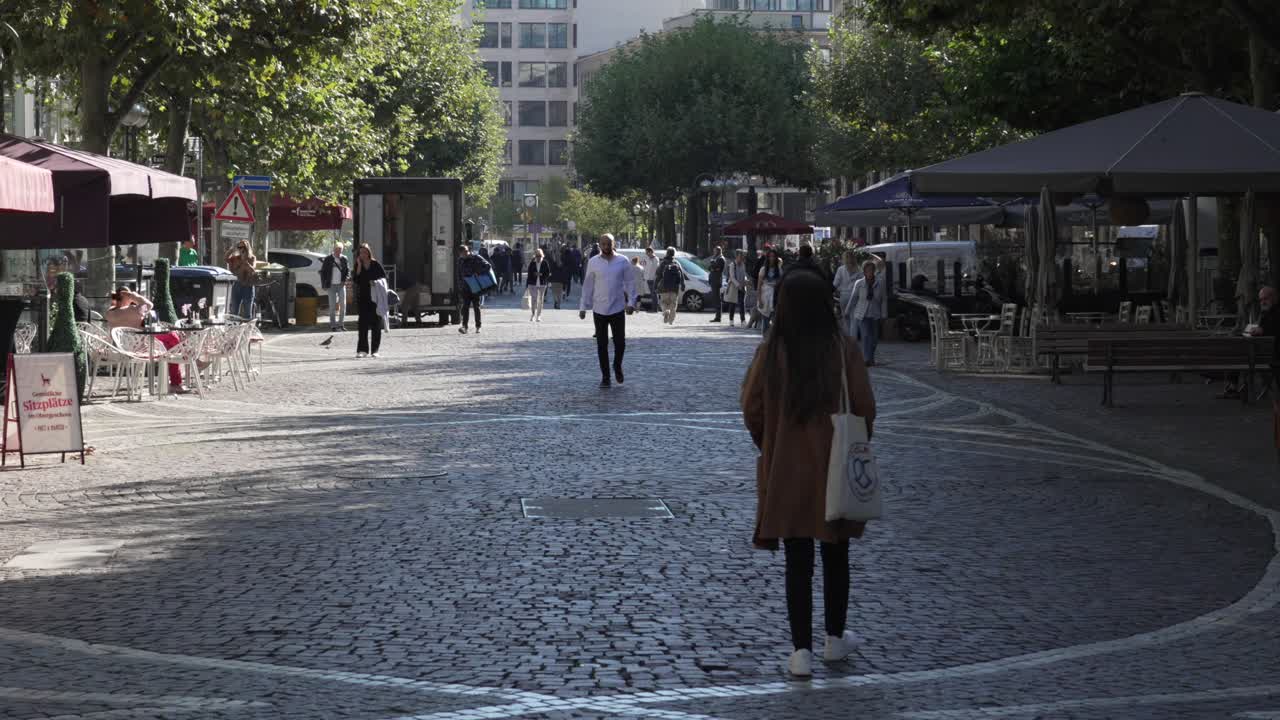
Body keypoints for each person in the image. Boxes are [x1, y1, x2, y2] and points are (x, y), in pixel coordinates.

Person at [741, 269, 876, 678]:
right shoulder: (844, 349)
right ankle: (834, 638)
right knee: (836, 553)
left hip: (787, 466)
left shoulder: (772, 351)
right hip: (833, 462)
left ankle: (800, 651)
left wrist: (772, 442)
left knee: (797, 559)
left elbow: (752, 407)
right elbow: (865, 407)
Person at [579, 233, 636, 387]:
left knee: (620, 343)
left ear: (613, 244)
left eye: (608, 244)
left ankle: (617, 365)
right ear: (599, 245)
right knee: (601, 345)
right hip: (599, 309)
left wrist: (631, 302)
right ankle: (605, 377)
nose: (605, 247)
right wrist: (583, 306)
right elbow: (588, 285)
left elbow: (630, 283)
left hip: (617, 307)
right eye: (603, 244)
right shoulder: (593, 262)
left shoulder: (623, 261)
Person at [107, 287, 185, 392]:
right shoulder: (133, 310)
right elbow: (149, 305)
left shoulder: (110, 312)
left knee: (169, 344)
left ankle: (172, 375)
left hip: (124, 347)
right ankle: (175, 381)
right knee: (173, 338)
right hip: (142, 347)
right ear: (126, 296)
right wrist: (134, 295)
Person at [847, 259, 887, 366]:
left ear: (874, 271)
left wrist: (884, 315)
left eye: (871, 270)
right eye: (867, 270)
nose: (870, 272)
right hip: (862, 314)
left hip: (875, 314)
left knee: (874, 339)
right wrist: (847, 311)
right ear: (864, 271)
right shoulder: (859, 283)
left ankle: (870, 358)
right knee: (865, 337)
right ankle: (866, 359)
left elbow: (883, 300)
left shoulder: (880, 282)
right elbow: (853, 298)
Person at [352, 244, 387, 358]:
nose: (363, 254)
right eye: (361, 252)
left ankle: (375, 350)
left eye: (365, 252)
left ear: (369, 252)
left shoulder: (375, 264)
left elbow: (384, 278)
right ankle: (362, 350)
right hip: (363, 297)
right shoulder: (358, 264)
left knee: (376, 324)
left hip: (375, 297)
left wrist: (375, 282)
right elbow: (356, 280)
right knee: (363, 324)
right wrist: (359, 266)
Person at [456, 244, 492, 334]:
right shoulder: (460, 260)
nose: (464, 254)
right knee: (465, 307)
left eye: (466, 252)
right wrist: (460, 284)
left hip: (476, 285)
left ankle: (478, 326)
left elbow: (488, 266)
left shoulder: (476, 257)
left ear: (468, 250)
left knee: (476, 306)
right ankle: (464, 327)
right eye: (462, 253)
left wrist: (478, 273)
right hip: (465, 286)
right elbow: (459, 273)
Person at [320, 243, 350, 332]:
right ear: (334, 250)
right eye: (337, 250)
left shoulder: (344, 258)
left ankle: (341, 325)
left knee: (343, 306)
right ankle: (333, 325)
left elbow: (347, 271)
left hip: (341, 285)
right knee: (332, 306)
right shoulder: (328, 259)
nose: (338, 252)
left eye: (340, 250)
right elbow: (323, 272)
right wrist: (324, 285)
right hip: (331, 285)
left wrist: (345, 280)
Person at [225, 240, 258, 319]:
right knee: (234, 312)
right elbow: (226, 258)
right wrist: (232, 249)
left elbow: (252, 271)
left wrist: (245, 261)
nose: (241, 249)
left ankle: (247, 330)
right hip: (236, 286)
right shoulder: (235, 258)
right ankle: (234, 329)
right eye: (239, 247)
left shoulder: (252, 258)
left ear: (247, 248)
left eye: (243, 247)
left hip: (248, 286)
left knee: (247, 313)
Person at [833, 250, 861, 337]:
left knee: (845, 318)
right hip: (855, 296)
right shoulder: (859, 270)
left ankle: (847, 340)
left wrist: (837, 290)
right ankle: (853, 340)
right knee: (853, 319)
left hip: (843, 296)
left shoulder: (841, 269)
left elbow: (835, 284)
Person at [757, 248, 783, 335]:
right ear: (767, 258)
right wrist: (759, 300)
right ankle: (765, 341)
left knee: (776, 323)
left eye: (773, 256)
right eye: (770, 256)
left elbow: (781, 286)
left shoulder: (779, 270)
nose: (772, 258)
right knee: (765, 322)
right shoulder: (763, 270)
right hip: (765, 297)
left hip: (775, 298)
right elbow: (759, 286)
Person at [656, 247, 685, 325]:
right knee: (673, 303)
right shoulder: (676, 263)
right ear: (674, 254)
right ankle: (671, 320)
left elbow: (658, 275)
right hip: (674, 288)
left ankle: (665, 311)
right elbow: (681, 275)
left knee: (663, 302)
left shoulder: (663, 263)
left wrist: (655, 286)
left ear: (667, 253)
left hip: (663, 287)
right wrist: (682, 285)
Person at [527, 247, 552, 322]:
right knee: (534, 299)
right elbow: (529, 273)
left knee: (540, 300)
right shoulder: (532, 263)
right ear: (535, 256)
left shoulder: (545, 263)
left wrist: (541, 274)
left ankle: (539, 316)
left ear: (542, 256)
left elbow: (548, 273)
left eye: (539, 256)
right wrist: (534, 274)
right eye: (537, 256)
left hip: (542, 283)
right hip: (533, 283)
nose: (538, 257)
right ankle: (533, 314)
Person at [725, 250, 749, 327]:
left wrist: (745, 280)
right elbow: (732, 277)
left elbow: (744, 274)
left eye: (742, 256)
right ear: (737, 256)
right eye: (740, 256)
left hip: (742, 287)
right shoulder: (732, 265)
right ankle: (731, 320)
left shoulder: (743, 265)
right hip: (734, 287)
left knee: (742, 304)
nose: (741, 258)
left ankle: (743, 320)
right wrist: (738, 285)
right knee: (732, 304)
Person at [706, 246, 727, 323]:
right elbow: (710, 268)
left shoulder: (720, 258)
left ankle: (718, 317)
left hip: (716, 280)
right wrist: (713, 267)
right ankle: (717, 316)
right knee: (716, 298)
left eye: (714, 250)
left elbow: (717, 269)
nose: (713, 252)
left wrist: (713, 267)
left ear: (718, 251)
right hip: (714, 280)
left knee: (717, 299)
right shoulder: (715, 258)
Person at [641, 246, 661, 312]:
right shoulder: (648, 259)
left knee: (654, 294)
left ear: (651, 252)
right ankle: (654, 308)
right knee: (653, 295)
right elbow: (645, 268)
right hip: (648, 279)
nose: (646, 254)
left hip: (653, 279)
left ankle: (655, 308)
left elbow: (656, 269)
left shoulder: (655, 259)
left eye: (647, 252)